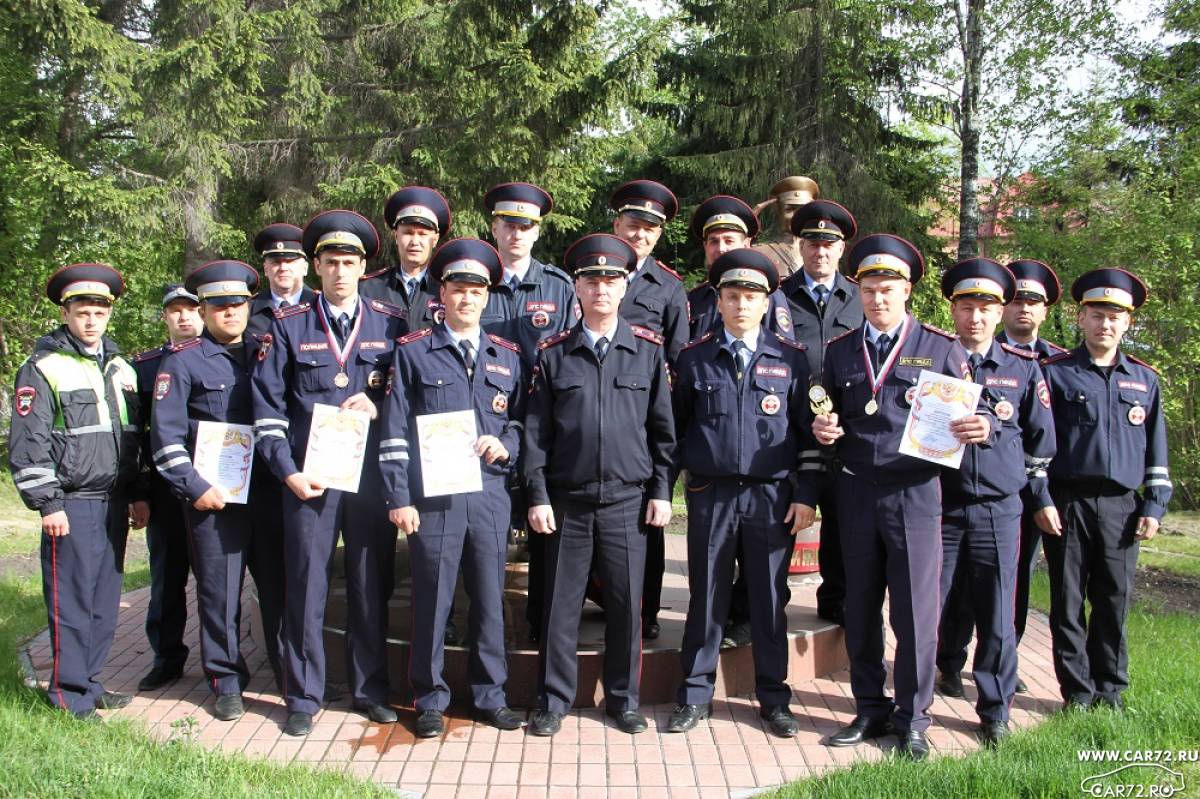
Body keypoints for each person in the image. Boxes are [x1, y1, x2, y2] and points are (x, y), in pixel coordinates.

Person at [813, 234, 992, 760]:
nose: (878, 298)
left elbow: (966, 419)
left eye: (888, 288)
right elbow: (828, 413)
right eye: (869, 288)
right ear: (858, 291)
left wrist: (978, 427)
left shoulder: (941, 347)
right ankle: (869, 706)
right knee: (860, 606)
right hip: (855, 492)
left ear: (907, 290)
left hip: (914, 493)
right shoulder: (840, 349)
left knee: (914, 612)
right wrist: (822, 428)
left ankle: (913, 717)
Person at [252, 209, 408, 736]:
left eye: (350, 262)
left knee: (370, 585)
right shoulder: (287, 327)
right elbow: (268, 414)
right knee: (306, 586)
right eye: (330, 261)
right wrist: (287, 474)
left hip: (368, 483)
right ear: (314, 266)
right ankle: (303, 694)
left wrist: (380, 405)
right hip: (310, 481)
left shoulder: (392, 324)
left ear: (364, 267)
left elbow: (407, 401)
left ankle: (369, 690)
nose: (340, 271)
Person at [665, 248, 821, 738]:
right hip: (711, 495)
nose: (740, 305)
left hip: (771, 498)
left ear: (766, 302)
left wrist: (807, 495)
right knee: (706, 597)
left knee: (768, 603)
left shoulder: (793, 361)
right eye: (731, 296)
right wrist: (665, 491)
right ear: (720, 299)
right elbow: (676, 430)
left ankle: (773, 699)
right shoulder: (693, 358)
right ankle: (694, 696)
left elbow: (808, 436)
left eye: (751, 296)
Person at [523, 233, 675, 737]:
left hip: (628, 503)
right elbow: (536, 435)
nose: (601, 288)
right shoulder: (553, 355)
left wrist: (661, 489)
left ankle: (623, 699)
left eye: (611, 280)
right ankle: (554, 700)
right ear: (577, 289)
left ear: (625, 286)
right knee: (558, 608)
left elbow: (662, 432)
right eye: (591, 280)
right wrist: (538, 495)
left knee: (627, 608)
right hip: (568, 502)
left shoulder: (647, 352)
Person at [380, 238, 527, 738]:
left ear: (488, 297)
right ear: (441, 295)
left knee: (489, 600)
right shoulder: (414, 353)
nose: (466, 299)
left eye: (476, 290)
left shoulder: (507, 357)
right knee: (433, 600)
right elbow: (394, 430)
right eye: (457, 289)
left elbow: (523, 424)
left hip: (488, 496)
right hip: (434, 499)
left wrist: (506, 443)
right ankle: (428, 698)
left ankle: (491, 696)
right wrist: (399, 497)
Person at [150, 260, 287, 720]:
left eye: (238, 304)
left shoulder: (269, 350)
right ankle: (226, 679)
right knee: (219, 592)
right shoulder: (182, 361)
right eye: (220, 305)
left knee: (279, 587)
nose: (230, 312)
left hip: (269, 493)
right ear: (204, 311)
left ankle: (290, 673)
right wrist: (194, 488)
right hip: (216, 499)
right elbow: (165, 440)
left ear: (251, 306)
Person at [9, 263, 145, 718]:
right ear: (65, 314)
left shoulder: (122, 367)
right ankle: (67, 696)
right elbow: (29, 443)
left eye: (99, 312)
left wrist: (138, 492)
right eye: (81, 311)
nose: (91, 320)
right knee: (72, 601)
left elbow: (132, 437)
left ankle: (89, 680)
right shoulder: (43, 368)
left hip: (114, 503)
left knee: (105, 600)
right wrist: (47, 502)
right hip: (70, 504)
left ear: (110, 315)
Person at [932, 258, 1056, 745]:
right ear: (954, 309)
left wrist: (996, 428)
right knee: (931, 605)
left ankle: (995, 709)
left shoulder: (1022, 368)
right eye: (966, 307)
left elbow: (1041, 440)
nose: (975, 317)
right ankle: (928, 686)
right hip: (940, 503)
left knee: (997, 612)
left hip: (999, 508)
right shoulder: (932, 360)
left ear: (999, 311)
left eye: (985, 307)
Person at [1039, 268, 1171, 711]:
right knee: (1068, 601)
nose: (1105, 325)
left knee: (1114, 599)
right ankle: (1077, 690)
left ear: (1128, 322)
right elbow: (1038, 443)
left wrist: (1155, 505)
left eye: (1115, 317)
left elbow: (1157, 449)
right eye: (1097, 315)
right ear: (1081, 319)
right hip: (1069, 503)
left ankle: (1110, 689)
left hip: (1123, 507)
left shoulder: (1145, 380)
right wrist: (1042, 499)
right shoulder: (1055, 375)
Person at [478, 181, 576, 643]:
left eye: (526, 226)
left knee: (543, 522)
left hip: (543, 423)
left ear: (537, 232)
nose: (517, 233)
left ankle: (540, 623)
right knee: (484, 530)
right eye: (509, 224)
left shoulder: (558, 285)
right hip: (487, 422)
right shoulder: (474, 278)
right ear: (494, 227)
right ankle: (482, 626)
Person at [608, 178, 689, 640]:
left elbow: (678, 359)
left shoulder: (669, 287)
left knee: (649, 516)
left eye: (650, 230)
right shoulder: (591, 268)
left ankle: (648, 609)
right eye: (633, 225)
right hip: (590, 413)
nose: (640, 236)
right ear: (617, 223)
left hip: (641, 421)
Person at [777, 199, 863, 626]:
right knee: (782, 518)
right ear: (801, 246)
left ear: (842, 248)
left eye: (829, 244)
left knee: (844, 524)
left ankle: (837, 604)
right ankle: (767, 603)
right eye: (812, 243)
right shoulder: (778, 297)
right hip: (790, 425)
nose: (820, 252)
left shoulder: (860, 298)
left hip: (846, 429)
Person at [133, 285, 202, 691]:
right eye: (175, 311)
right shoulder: (143, 368)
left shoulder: (227, 357)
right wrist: (139, 492)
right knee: (167, 577)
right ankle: (167, 656)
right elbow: (137, 436)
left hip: (220, 487)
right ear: (165, 318)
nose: (184, 318)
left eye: (191, 309)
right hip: (166, 491)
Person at [686, 195, 793, 342]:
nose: (721, 248)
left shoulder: (768, 294)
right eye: (714, 242)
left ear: (746, 244)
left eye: (729, 240)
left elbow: (784, 352)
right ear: (705, 247)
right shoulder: (694, 298)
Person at [360, 186, 452, 331]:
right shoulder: (368, 288)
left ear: (435, 239)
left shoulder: (448, 290)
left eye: (422, 234)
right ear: (396, 236)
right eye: (408, 233)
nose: (415, 241)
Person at [248, 223, 316, 338]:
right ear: (265, 269)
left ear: (305, 268)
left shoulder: (322, 308)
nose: (283, 268)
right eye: (276, 262)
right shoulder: (248, 311)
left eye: (291, 261)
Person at [752, 175, 821, 278]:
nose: (796, 216)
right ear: (778, 211)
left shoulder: (821, 253)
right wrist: (749, 224)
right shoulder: (760, 253)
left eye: (802, 210)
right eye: (789, 209)